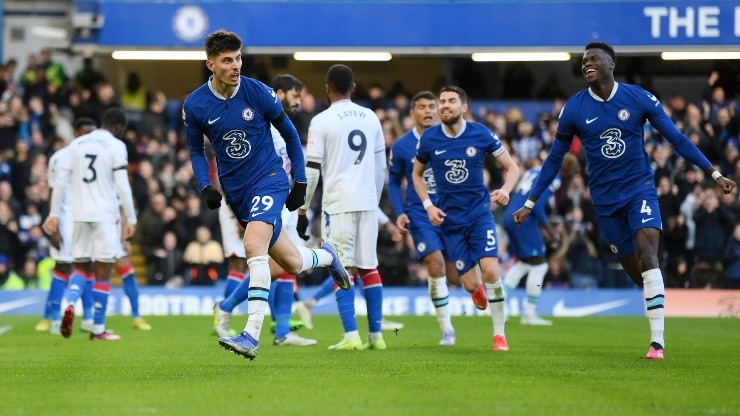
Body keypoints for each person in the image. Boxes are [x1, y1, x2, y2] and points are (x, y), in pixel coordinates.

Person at [512, 42, 737, 360]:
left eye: (594, 59)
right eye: (584, 61)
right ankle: (656, 292)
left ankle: (657, 342)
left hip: (639, 190)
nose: (587, 64)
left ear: (611, 64)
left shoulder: (638, 97)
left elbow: (677, 138)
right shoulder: (574, 109)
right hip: (605, 204)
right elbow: (553, 160)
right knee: (638, 272)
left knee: (649, 253)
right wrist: (531, 202)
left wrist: (714, 174)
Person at [183, 30, 350, 360]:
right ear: (211, 64)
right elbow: (196, 150)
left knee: (252, 247)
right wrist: (205, 185)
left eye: (239, 58)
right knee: (293, 262)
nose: (236, 65)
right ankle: (329, 256)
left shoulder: (257, 92)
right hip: (237, 194)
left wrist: (299, 181)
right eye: (228, 60)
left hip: (269, 180)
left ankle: (250, 334)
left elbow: (290, 134)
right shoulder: (195, 105)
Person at [413, 86, 519, 352]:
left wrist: (505, 190)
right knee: (471, 283)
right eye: (442, 102)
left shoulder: (480, 133)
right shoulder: (429, 139)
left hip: (479, 215)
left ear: (464, 107)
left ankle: (499, 335)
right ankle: (475, 291)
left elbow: (512, 167)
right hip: (450, 221)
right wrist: (428, 206)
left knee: (492, 270)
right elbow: (416, 175)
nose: (445, 105)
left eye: (451, 101)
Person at [296, 64, 387, 351]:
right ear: (354, 88)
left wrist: (302, 209)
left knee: (340, 267)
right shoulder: (371, 117)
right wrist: (372, 197)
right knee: (369, 267)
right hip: (367, 203)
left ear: (326, 88)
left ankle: (351, 336)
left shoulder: (322, 121)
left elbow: (311, 171)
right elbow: (381, 166)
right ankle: (376, 336)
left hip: (338, 203)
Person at [387, 90, 487, 346]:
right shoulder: (401, 146)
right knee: (435, 264)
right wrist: (401, 213)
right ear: (412, 113)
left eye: (432, 106)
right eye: (421, 107)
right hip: (420, 211)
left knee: (458, 278)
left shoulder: (452, 137)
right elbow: (395, 182)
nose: (428, 111)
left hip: (453, 211)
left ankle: (476, 287)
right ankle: (447, 329)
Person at [42, 108, 137, 341]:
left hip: (77, 216)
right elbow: (122, 185)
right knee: (102, 272)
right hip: (104, 215)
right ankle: (97, 328)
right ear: (119, 127)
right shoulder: (115, 146)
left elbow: (61, 182)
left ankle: (70, 303)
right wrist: (131, 218)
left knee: (81, 268)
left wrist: (53, 214)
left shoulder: (75, 145)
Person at [502, 154, 579, 325]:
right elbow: (535, 205)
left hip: (510, 217)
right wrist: (550, 231)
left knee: (524, 262)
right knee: (540, 264)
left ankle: (500, 304)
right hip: (523, 221)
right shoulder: (554, 178)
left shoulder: (534, 169)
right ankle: (529, 314)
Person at [35, 118, 96, 334]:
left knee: (88, 267)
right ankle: (52, 318)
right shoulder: (59, 158)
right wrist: (56, 226)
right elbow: (53, 193)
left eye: (91, 133)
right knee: (62, 267)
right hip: (67, 222)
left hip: (88, 221)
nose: (88, 137)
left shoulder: (95, 155)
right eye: (84, 132)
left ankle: (88, 317)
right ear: (76, 132)